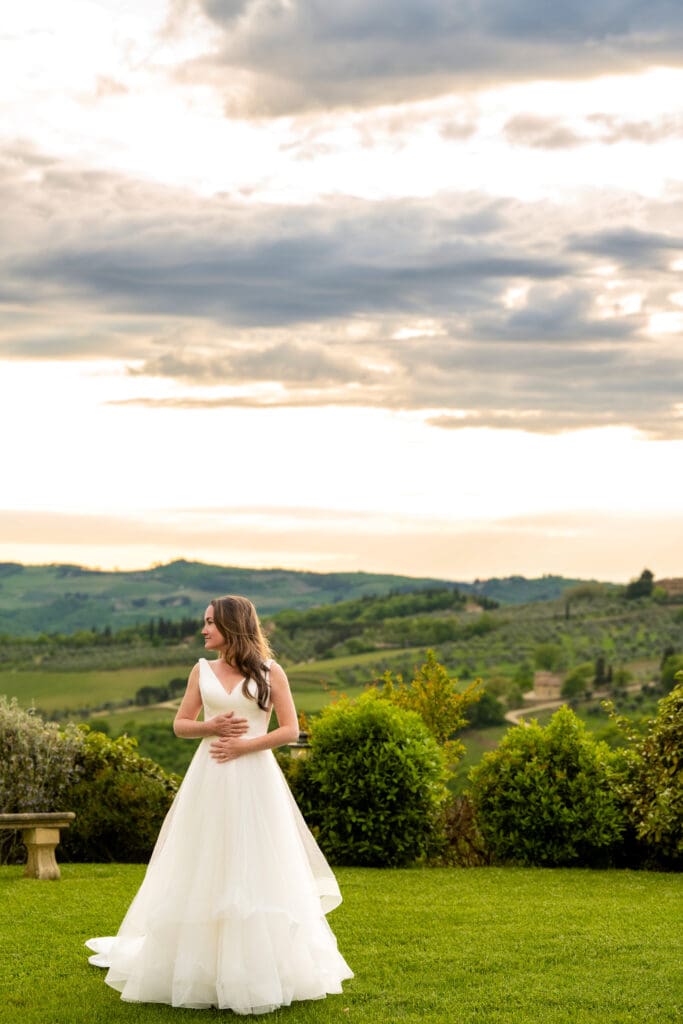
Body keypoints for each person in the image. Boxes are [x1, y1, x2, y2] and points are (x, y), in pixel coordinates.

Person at [86, 595, 353, 1014]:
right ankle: (200, 967)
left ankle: (258, 968)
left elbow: (289, 730)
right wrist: (209, 726)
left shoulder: (270, 672)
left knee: (257, 863)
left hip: (255, 780)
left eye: (210, 623)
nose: (204, 629)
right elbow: (180, 724)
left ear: (233, 625)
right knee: (204, 860)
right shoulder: (202, 670)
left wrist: (246, 745)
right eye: (204, 622)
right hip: (208, 779)